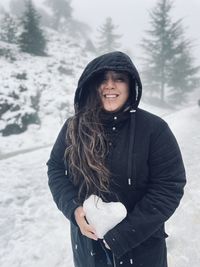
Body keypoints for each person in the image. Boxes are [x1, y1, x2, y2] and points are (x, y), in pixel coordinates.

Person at [46, 51, 186, 267]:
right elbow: (56, 169)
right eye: (103, 79)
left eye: (119, 79)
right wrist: (74, 209)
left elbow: (169, 186)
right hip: (88, 250)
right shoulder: (73, 128)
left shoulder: (154, 129)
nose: (110, 85)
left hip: (141, 250)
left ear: (130, 86)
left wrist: (123, 235)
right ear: (93, 86)